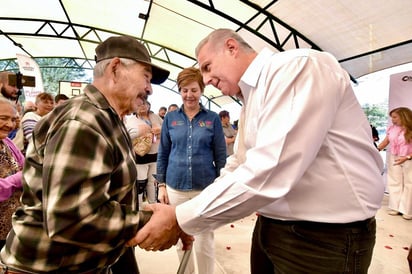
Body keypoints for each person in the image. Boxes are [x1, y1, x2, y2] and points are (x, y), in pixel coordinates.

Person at [127, 28, 385, 274]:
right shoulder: (251, 98)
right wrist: (190, 214)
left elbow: (270, 169)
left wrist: (181, 218)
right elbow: (240, 164)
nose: (206, 80)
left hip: (324, 237)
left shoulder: (296, 68)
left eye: (207, 67)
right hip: (273, 227)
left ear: (231, 47)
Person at [0, 35, 192, 274]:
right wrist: (152, 220)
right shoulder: (83, 121)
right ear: (115, 68)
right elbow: (71, 219)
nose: (149, 89)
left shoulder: (107, 118)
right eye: (146, 77)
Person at [155, 67, 226, 274]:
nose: (189, 95)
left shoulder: (212, 119)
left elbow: (220, 155)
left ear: (201, 90)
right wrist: (161, 185)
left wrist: (221, 186)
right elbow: (163, 153)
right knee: (181, 239)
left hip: (204, 188)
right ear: (180, 91)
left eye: (194, 90)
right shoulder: (170, 119)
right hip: (175, 186)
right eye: (185, 90)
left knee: (204, 240)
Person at [125, 101, 163, 208]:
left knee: (153, 182)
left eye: (145, 104)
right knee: (140, 183)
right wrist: (139, 132)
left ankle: (153, 206)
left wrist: (160, 130)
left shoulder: (155, 117)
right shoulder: (130, 120)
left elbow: (167, 129)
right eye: (140, 104)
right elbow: (126, 135)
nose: (142, 106)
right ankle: (139, 207)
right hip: (140, 158)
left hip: (155, 156)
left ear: (149, 105)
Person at [377, 107, 412, 220]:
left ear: (404, 116)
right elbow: (385, 142)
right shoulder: (392, 129)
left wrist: (407, 157)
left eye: (395, 117)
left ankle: (407, 210)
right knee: (394, 182)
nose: (393, 119)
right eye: (392, 117)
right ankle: (395, 207)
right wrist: (375, 151)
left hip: (408, 158)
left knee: (409, 184)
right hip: (394, 157)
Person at [0, 98, 25, 250]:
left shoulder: (7, 142)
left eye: (14, 120)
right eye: (3, 118)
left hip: (11, 228)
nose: (10, 125)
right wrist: (17, 180)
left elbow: (26, 167)